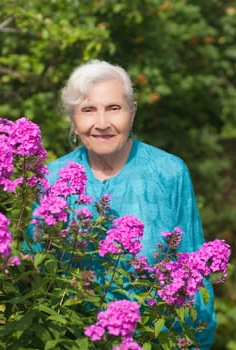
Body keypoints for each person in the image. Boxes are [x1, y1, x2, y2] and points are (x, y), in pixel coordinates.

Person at [30, 59, 216, 348]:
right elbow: (34, 277)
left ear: (133, 112)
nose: (102, 123)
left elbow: (194, 270)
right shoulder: (50, 178)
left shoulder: (169, 172)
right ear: (73, 118)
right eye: (88, 110)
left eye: (113, 108)